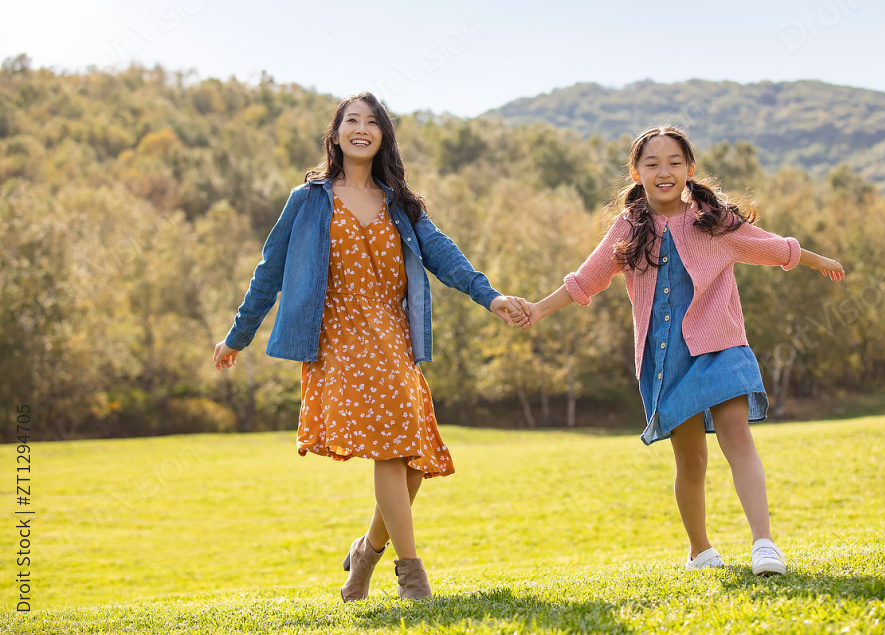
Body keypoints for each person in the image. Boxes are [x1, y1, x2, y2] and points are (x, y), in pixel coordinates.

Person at [213, 92, 526, 600]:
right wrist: (237, 336)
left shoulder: (398, 202)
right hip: (337, 340)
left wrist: (490, 297)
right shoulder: (308, 199)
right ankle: (413, 575)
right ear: (335, 134)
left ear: (383, 135)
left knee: (414, 462)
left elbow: (444, 256)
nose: (361, 128)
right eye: (351, 120)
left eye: (372, 121)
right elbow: (269, 271)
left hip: (394, 340)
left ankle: (365, 553)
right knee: (391, 449)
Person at [509, 125, 845, 575]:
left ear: (690, 169)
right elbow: (586, 279)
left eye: (673, 163)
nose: (663, 172)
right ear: (636, 172)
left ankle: (765, 545)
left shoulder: (713, 220)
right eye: (652, 163)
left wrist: (816, 259)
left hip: (721, 345)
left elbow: (769, 246)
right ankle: (700, 550)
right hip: (668, 358)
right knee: (691, 459)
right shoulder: (628, 228)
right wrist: (537, 308)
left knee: (737, 437)